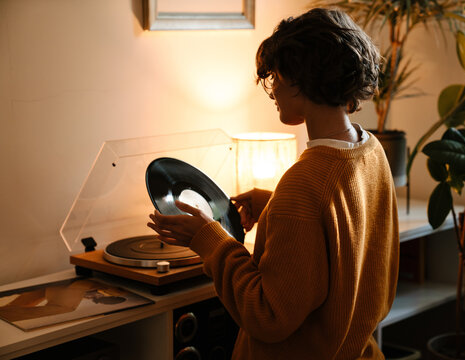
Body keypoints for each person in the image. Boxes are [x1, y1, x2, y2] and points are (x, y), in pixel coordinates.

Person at [148, 8, 399, 359]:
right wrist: (273, 207)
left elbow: (267, 315)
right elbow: (346, 235)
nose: (273, 89)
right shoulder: (371, 151)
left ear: (300, 79)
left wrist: (208, 239)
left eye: (275, 76)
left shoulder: (304, 183)